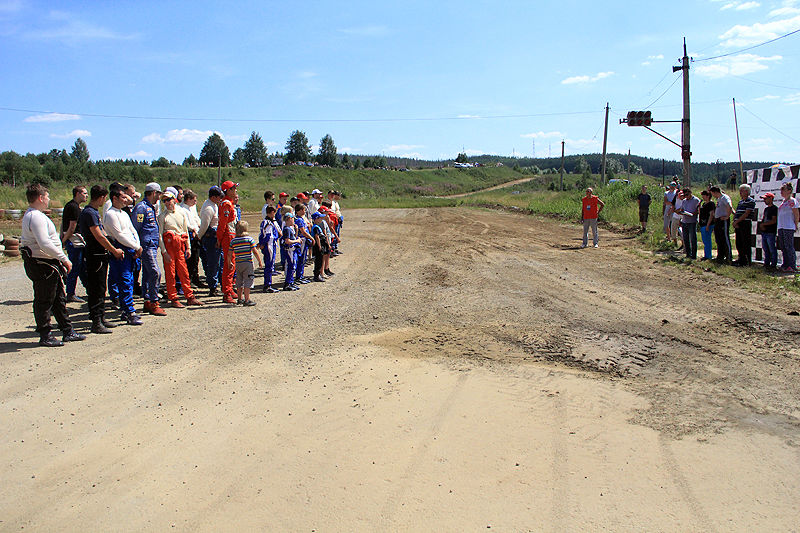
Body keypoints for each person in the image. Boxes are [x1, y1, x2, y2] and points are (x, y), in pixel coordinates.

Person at [19, 183, 86, 347]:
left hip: (48, 263)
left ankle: (67, 330)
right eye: (47, 197)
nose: (49, 200)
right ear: (41, 198)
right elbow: (44, 243)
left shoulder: (35, 215)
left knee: (58, 299)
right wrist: (63, 258)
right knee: (44, 300)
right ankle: (45, 334)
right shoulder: (35, 216)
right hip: (43, 264)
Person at [79, 185, 124, 334]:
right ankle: (96, 322)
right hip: (95, 255)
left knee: (101, 288)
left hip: (98, 255)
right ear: (101, 197)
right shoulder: (90, 213)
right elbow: (99, 235)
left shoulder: (92, 212)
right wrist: (113, 249)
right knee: (97, 289)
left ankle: (100, 317)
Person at [103, 183, 144, 325]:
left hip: (131, 247)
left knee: (130, 280)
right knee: (124, 280)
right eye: (123, 197)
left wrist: (137, 245)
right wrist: (136, 246)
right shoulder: (110, 214)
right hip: (121, 249)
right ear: (115, 198)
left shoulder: (124, 214)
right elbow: (119, 235)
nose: (126, 199)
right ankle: (128, 311)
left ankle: (128, 310)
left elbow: (132, 230)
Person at [159, 189, 204, 307]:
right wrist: (164, 252)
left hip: (180, 246)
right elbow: (159, 235)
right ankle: (173, 298)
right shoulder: (162, 216)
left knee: (184, 272)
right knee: (170, 273)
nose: (167, 202)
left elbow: (184, 230)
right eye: (165, 200)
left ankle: (189, 296)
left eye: (169, 199)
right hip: (169, 246)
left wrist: (188, 247)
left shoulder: (181, 213)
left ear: (174, 200)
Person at [132, 183, 166, 316]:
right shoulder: (141, 208)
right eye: (158, 193)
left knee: (147, 275)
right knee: (155, 273)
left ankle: (147, 301)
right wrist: (136, 246)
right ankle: (153, 301)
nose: (159, 196)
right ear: (152, 193)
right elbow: (136, 228)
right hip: (145, 246)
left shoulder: (150, 208)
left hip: (151, 245)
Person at [61, 185, 88, 303]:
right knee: (75, 267)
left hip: (75, 240)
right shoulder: (73, 207)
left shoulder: (72, 206)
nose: (86, 195)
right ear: (77, 194)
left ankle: (90, 289)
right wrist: (63, 241)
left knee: (82, 267)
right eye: (84, 193)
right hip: (74, 241)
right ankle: (70, 293)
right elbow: (71, 227)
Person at [229, 220, 263, 306]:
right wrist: (259, 261)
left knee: (239, 280)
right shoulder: (249, 239)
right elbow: (255, 251)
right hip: (247, 263)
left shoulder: (234, 241)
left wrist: (230, 262)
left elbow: (229, 253)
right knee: (248, 281)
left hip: (238, 263)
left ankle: (240, 298)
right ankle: (247, 299)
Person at [198, 186, 224, 297]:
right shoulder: (209, 208)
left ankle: (215, 284)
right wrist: (199, 237)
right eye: (219, 197)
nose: (220, 199)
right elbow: (204, 225)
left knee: (217, 261)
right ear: (213, 197)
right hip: (211, 236)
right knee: (213, 263)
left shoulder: (212, 205)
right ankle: (212, 286)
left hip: (213, 235)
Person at [217, 181, 239, 303]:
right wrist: (219, 239)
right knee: (229, 264)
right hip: (228, 236)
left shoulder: (229, 203)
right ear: (228, 190)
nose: (235, 190)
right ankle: (226, 291)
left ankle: (229, 288)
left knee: (232, 263)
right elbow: (223, 224)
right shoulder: (226, 204)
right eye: (233, 188)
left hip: (230, 235)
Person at [180, 189, 203, 287]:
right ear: (188, 199)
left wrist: (199, 228)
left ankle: (195, 277)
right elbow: (187, 224)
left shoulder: (191, 209)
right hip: (190, 234)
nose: (195, 202)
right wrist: (194, 229)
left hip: (196, 232)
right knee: (190, 259)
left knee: (195, 258)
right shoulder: (183, 209)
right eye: (194, 200)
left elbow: (196, 219)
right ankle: (189, 279)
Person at [777, 182, 799, 273]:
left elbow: (796, 214)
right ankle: (785, 264)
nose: (781, 191)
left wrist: (795, 225)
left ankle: (792, 265)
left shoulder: (792, 201)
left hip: (788, 226)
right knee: (783, 246)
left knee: (789, 246)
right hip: (781, 226)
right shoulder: (783, 202)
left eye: (783, 189)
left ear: (789, 191)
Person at [258, 205, 281, 293]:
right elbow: (268, 235)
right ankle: (267, 285)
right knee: (269, 266)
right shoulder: (268, 223)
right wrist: (263, 244)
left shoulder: (264, 222)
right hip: (269, 246)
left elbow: (261, 235)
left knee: (269, 265)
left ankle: (268, 284)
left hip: (269, 245)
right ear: (272, 213)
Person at [732, 183, 756, 266]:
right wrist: (734, 221)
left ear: (746, 191)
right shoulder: (741, 201)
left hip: (745, 223)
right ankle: (741, 259)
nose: (740, 192)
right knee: (739, 242)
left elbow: (746, 213)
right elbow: (738, 212)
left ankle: (747, 261)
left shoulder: (750, 201)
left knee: (745, 242)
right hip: (738, 223)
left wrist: (737, 221)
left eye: (742, 191)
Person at [710, 186, 733, 264]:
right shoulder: (719, 199)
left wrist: (727, 216)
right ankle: (720, 256)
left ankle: (729, 256)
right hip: (718, 221)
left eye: (712, 193)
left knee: (725, 238)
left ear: (715, 192)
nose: (712, 195)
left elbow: (729, 206)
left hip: (723, 220)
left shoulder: (724, 197)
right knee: (719, 239)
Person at [281, 212, 303, 291]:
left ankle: (290, 282)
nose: (294, 221)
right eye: (293, 219)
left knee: (293, 266)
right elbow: (287, 241)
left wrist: (296, 230)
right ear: (289, 219)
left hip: (293, 250)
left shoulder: (290, 228)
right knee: (291, 266)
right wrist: (297, 241)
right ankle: (287, 283)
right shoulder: (286, 229)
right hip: (289, 250)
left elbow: (293, 238)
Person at [677, 187, 700, 260]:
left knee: (693, 238)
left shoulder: (696, 200)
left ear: (690, 193)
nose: (686, 196)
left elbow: (698, 210)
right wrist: (682, 212)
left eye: (687, 194)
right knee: (686, 238)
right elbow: (682, 209)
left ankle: (693, 255)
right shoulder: (684, 201)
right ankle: (688, 253)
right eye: (685, 195)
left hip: (692, 221)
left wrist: (693, 213)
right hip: (685, 221)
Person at [293, 203, 313, 284]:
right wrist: (311, 238)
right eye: (303, 210)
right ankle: (298, 276)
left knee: (303, 259)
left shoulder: (301, 219)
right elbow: (303, 231)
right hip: (302, 240)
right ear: (300, 211)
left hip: (304, 240)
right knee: (301, 258)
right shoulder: (299, 220)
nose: (304, 212)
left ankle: (301, 275)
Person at [758, 192, 778, 270]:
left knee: (772, 249)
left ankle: (773, 265)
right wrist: (762, 225)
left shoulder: (774, 208)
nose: (764, 200)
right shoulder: (766, 209)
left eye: (766, 199)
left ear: (771, 199)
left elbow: (774, 221)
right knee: (766, 249)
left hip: (771, 232)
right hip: (765, 231)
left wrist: (764, 224)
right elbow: (764, 219)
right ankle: (766, 263)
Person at [310, 211, 330, 282]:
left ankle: (318, 275)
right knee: (318, 261)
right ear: (316, 219)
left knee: (320, 261)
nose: (321, 220)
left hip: (320, 245)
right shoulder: (315, 227)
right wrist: (319, 246)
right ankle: (317, 276)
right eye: (319, 218)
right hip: (318, 246)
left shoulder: (317, 226)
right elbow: (317, 236)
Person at [699, 190, 716, 260]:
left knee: (707, 240)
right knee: (704, 240)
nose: (702, 197)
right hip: (702, 223)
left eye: (704, 195)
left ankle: (708, 255)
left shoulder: (711, 204)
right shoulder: (704, 204)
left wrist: (708, 225)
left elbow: (711, 214)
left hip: (708, 224)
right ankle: (706, 254)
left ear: (708, 196)